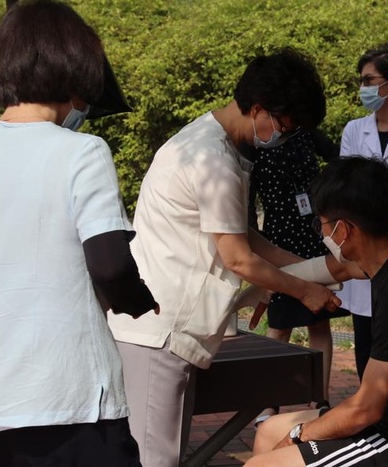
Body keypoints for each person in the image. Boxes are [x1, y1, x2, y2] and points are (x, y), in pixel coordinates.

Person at [106, 48, 346, 466]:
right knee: (154, 459)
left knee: (165, 455)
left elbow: (243, 236)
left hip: (170, 331)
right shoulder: (213, 159)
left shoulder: (216, 144)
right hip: (160, 332)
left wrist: (316, 269)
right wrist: (303, 290)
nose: (283, 138)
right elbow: (238, 258)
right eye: (285, 127)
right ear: (259, 108)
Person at [0, 1, 158, 465]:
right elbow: (110, 265)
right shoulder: (82, 152)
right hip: (70, 399)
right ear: (74, 72)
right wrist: (137, 301)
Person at [245, 156, 388, 467]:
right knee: (268, 432)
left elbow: (366, 408)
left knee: (261, 465)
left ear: (343, 230)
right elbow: (331, 269)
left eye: (321, 224)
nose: (322, 234)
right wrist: (267, 288)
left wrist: (299, 434)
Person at [246, 128, 346, 423]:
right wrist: (256, 254)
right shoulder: (256, 141)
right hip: (277, 238)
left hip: (313, 233)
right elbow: (248, 201)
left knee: (319, 322)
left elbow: (337, 157)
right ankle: (269, 402)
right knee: (279, 324)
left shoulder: (306, 132)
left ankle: (319, 400)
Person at [338, 45, 388, 379]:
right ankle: (367, 405)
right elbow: (346, 184)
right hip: (365, 240)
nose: (363, 87)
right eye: (362, 80)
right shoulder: (354, 130)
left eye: (369, 80)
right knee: (365, 335)